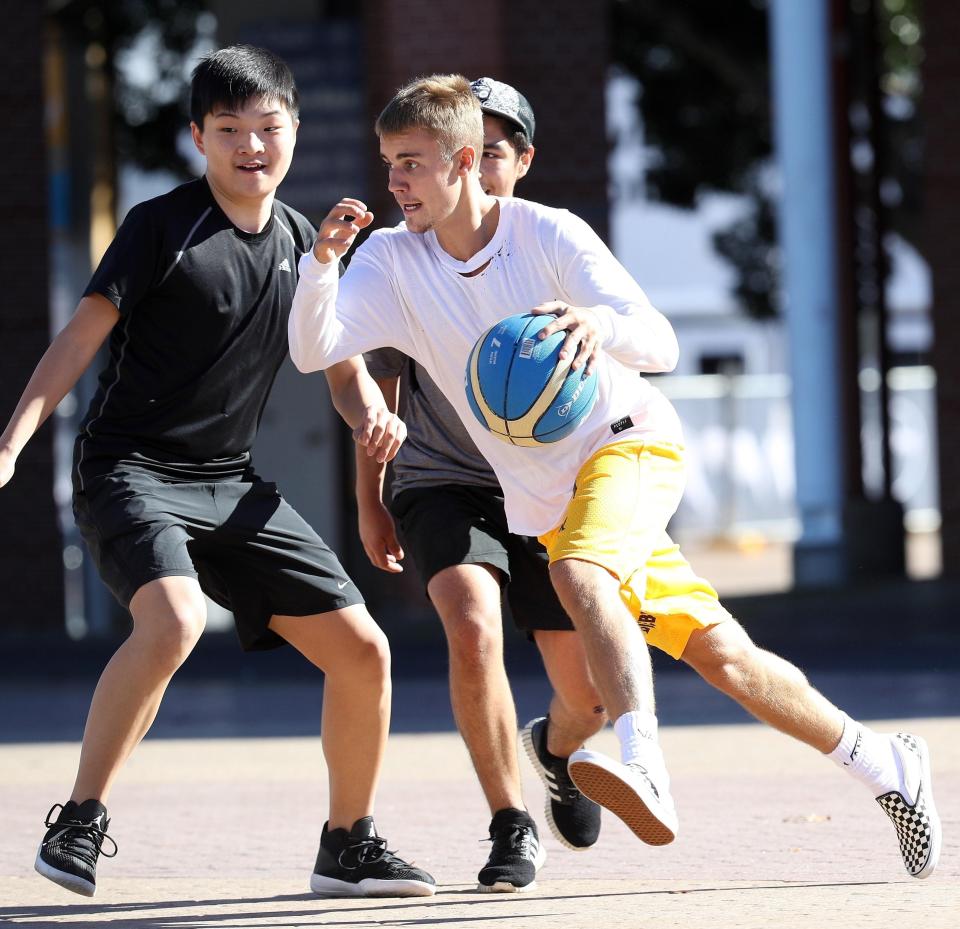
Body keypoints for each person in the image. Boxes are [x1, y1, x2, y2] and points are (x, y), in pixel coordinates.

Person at [287, 73, 942, 882]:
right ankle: (887, 762)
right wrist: (322, 263)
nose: (394, 180)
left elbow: (659, 342)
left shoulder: (547, 235)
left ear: (464, 162)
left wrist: (599, 322)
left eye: (411, 162)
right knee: (722, 655)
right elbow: (315, 349)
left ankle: (645, 763)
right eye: (388, 161)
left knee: (578, 571)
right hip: (548, 496)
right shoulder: (390, 260)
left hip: (627, 446)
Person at [0, 46, 435, 900]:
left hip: (229, 482)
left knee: (364, 652)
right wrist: (13, 439)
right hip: (130, 469)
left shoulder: (305, 242)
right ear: (199, 137)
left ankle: (347, 842)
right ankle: (79, 818)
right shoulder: (159, 227)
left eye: (269, 129)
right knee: (173, 620)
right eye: (229, 130)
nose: (251, 147)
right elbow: (76, 341)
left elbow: (340, 371)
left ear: (294, 132)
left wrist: (372, 417)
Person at [355, 77, 604, 894]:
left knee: (585, 696)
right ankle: (509, 819)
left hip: (545, 484)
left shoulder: (549, 245)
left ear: (515, 162)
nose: (483, 169)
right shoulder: (408, 257)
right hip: (444, 477)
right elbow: (379, 385)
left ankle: (558, 753)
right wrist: (372, 497)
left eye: (497, 154)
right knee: (472, 627)